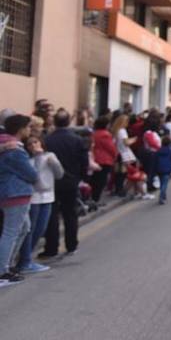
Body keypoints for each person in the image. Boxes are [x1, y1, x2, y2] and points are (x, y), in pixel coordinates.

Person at [41, 110, 88, 258]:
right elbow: (84, 162)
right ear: (68, 122)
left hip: (52, 181)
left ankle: (51, 248)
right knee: (70, 214)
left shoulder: (47, 140)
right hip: (70, 181)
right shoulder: (76, 140)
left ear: (54, 122)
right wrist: (79, 177)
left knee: (52, 215)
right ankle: (71, 245)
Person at [16, 129, 63, 274]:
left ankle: (26, 257)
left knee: (41, 229)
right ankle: (25, 260)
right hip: (33, 198)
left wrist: (53, 162)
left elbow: (59, 174)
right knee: (31, 230)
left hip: (48, 196)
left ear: (41, 142)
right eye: (30, 144)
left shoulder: (50, 155)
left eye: (35, 142)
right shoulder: (27, 159)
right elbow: (33, 177)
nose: (33, 146)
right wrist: (37, 158)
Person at [0, 115, 37, 286]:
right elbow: (32, 174)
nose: (30, 130)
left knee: (24, 228)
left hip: (13, 193)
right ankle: (2, 271)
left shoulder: (7, 145)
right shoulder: (14, 149)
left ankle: (8, 265)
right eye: (28, 127)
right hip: (15, 193)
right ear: (20, 129)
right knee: (11, 232)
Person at [89, 115, 117, 203]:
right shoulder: (105, 134)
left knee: (95, 180)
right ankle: (95, 199)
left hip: (95, 158)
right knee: (101, 181)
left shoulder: (94, 133)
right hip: (105, 160)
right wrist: (115, 155)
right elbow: (111, 148)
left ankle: (93, 198)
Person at [110, 114, 135, 197]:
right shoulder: (122, 131)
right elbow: (126, 142)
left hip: (117, 152)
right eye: (127, 121)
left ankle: (117, 189)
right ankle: (120, 190)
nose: (128, 123)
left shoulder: (115, 130)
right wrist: (134, 140)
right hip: (123, 153)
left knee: (117, 173)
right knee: (122, 173)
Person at [156, 137, 171, 205]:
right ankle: (161, 197)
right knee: (164, 184)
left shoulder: (158, 151)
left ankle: (164, 196)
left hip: (159, 168)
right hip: (167, 169)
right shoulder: (170, 150)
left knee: (162, 183)